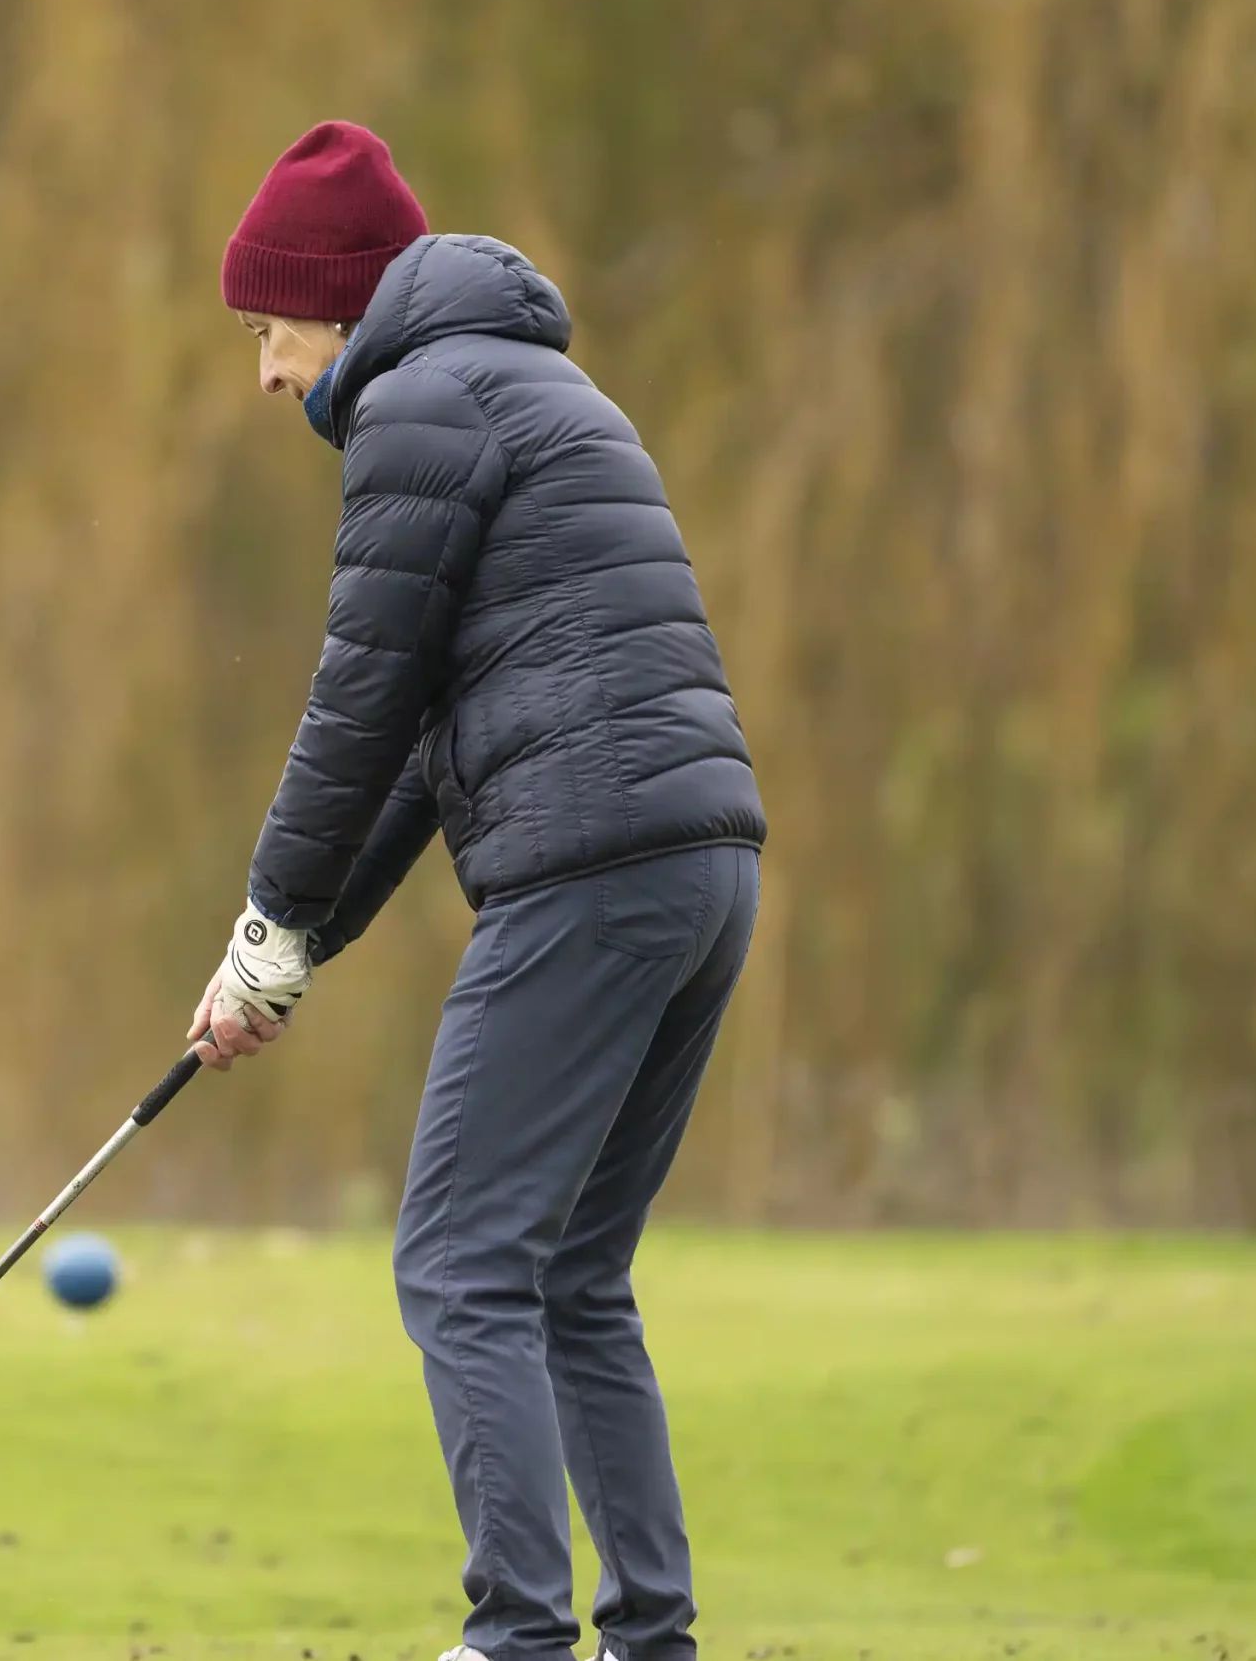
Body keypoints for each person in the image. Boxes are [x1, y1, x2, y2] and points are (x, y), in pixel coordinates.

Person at [187, 121, 768, 1661]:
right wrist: (289, 947)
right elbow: (415, 752)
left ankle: (516, 1636)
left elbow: (356, 704)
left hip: (590, 870)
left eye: (269, 330)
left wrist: (265, 924)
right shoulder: (529, 383)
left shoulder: (419, 404)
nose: (265, 373)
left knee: (459, 1259)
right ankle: (649, 1641)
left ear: (340, 305)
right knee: (573, 1272)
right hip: (699, 869)